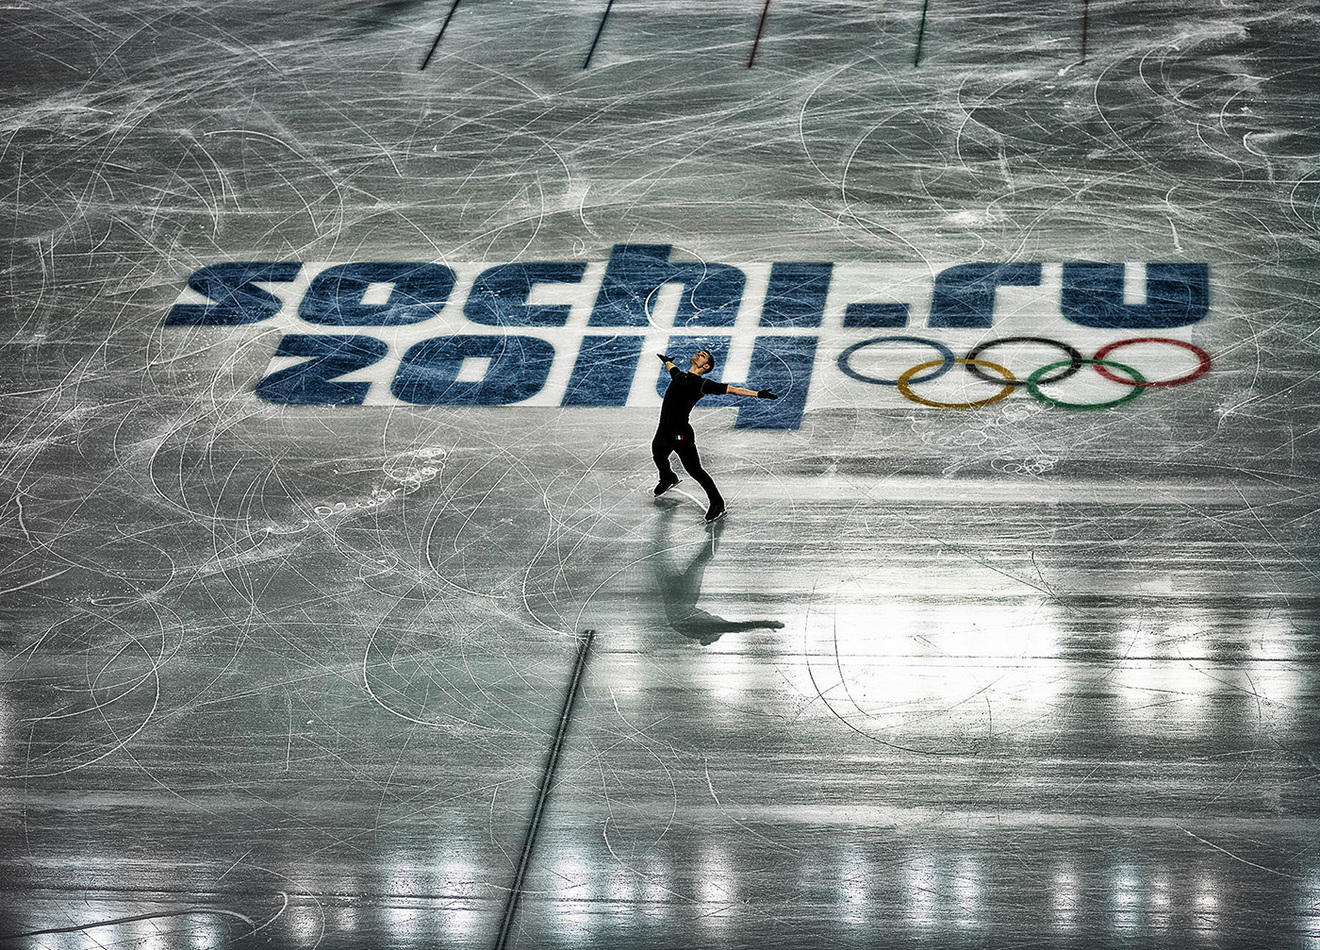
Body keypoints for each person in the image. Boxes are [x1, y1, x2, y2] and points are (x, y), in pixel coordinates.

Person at [652, 350, 778, 523]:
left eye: (702, 356)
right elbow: (671, 368)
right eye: (699, 353)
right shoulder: (679, 376)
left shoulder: (703, 384)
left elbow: (732, 390)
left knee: (694, 470)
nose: (698, 354)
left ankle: (717, 503)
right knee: (658, 455)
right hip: (663, 431)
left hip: (680, 434)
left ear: (706, 366)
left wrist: (757, 393)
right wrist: (666, 360)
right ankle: (668, 478)